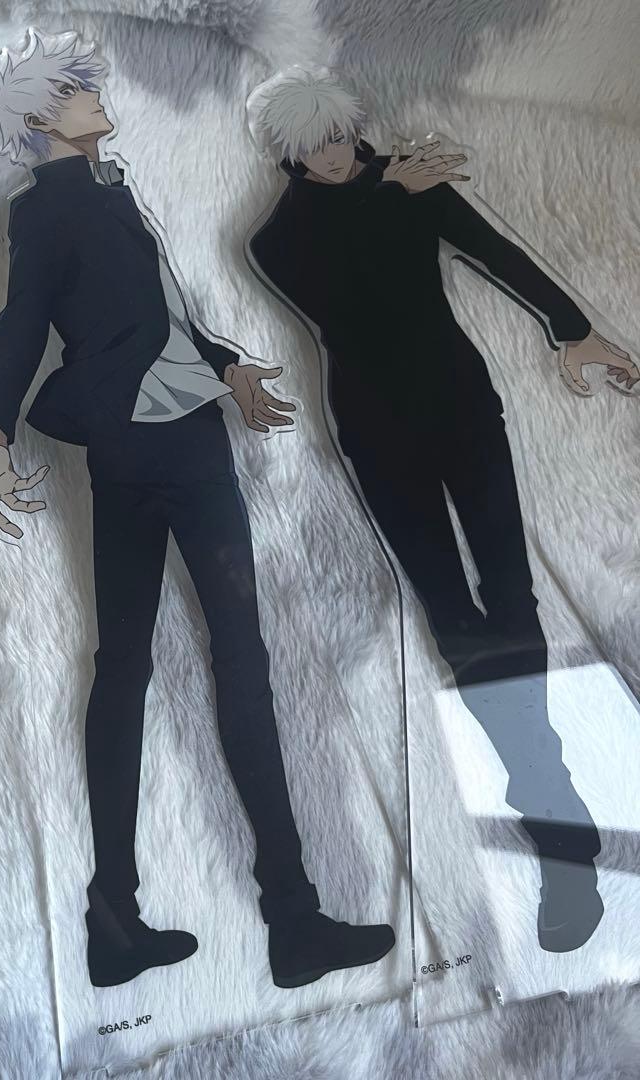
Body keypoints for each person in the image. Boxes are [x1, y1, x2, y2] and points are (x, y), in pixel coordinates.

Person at [0, 30, 395, 989]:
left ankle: (128, 924)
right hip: (167, 444)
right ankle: (281, 921)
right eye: (75, 89)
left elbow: (158, 315)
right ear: (41, 116)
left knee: (132, 665)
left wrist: (227, 366)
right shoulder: (47, 206)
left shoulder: (109, 191)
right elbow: (22, 321)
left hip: (151, 435)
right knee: (220, 661)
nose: (93, 95)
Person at [245, 65, 638, 952]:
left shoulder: (410, 184)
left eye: (340, 136)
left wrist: (574, 328)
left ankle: (557, 830)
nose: (334, 155)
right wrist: (394, 192)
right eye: (313, 146)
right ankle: (562, 833)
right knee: (455, 622)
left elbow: (501, 256)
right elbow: (345, 298)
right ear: (286, 155)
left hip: (464, 409)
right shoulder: (275, 241)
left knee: (512, 598)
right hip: (375, 435)